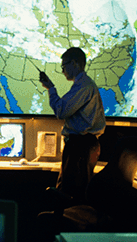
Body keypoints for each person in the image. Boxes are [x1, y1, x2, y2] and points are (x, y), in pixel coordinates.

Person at [39, 46, 106, 201]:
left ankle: (68, 223)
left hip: (80, 147)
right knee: (73, 190)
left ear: (75, 63)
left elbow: (62, 111)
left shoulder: (83, 86)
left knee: (71, 194)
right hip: (82, 146)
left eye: (64, 66)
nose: (62, 70)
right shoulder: (85, 85)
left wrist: (50, 88)